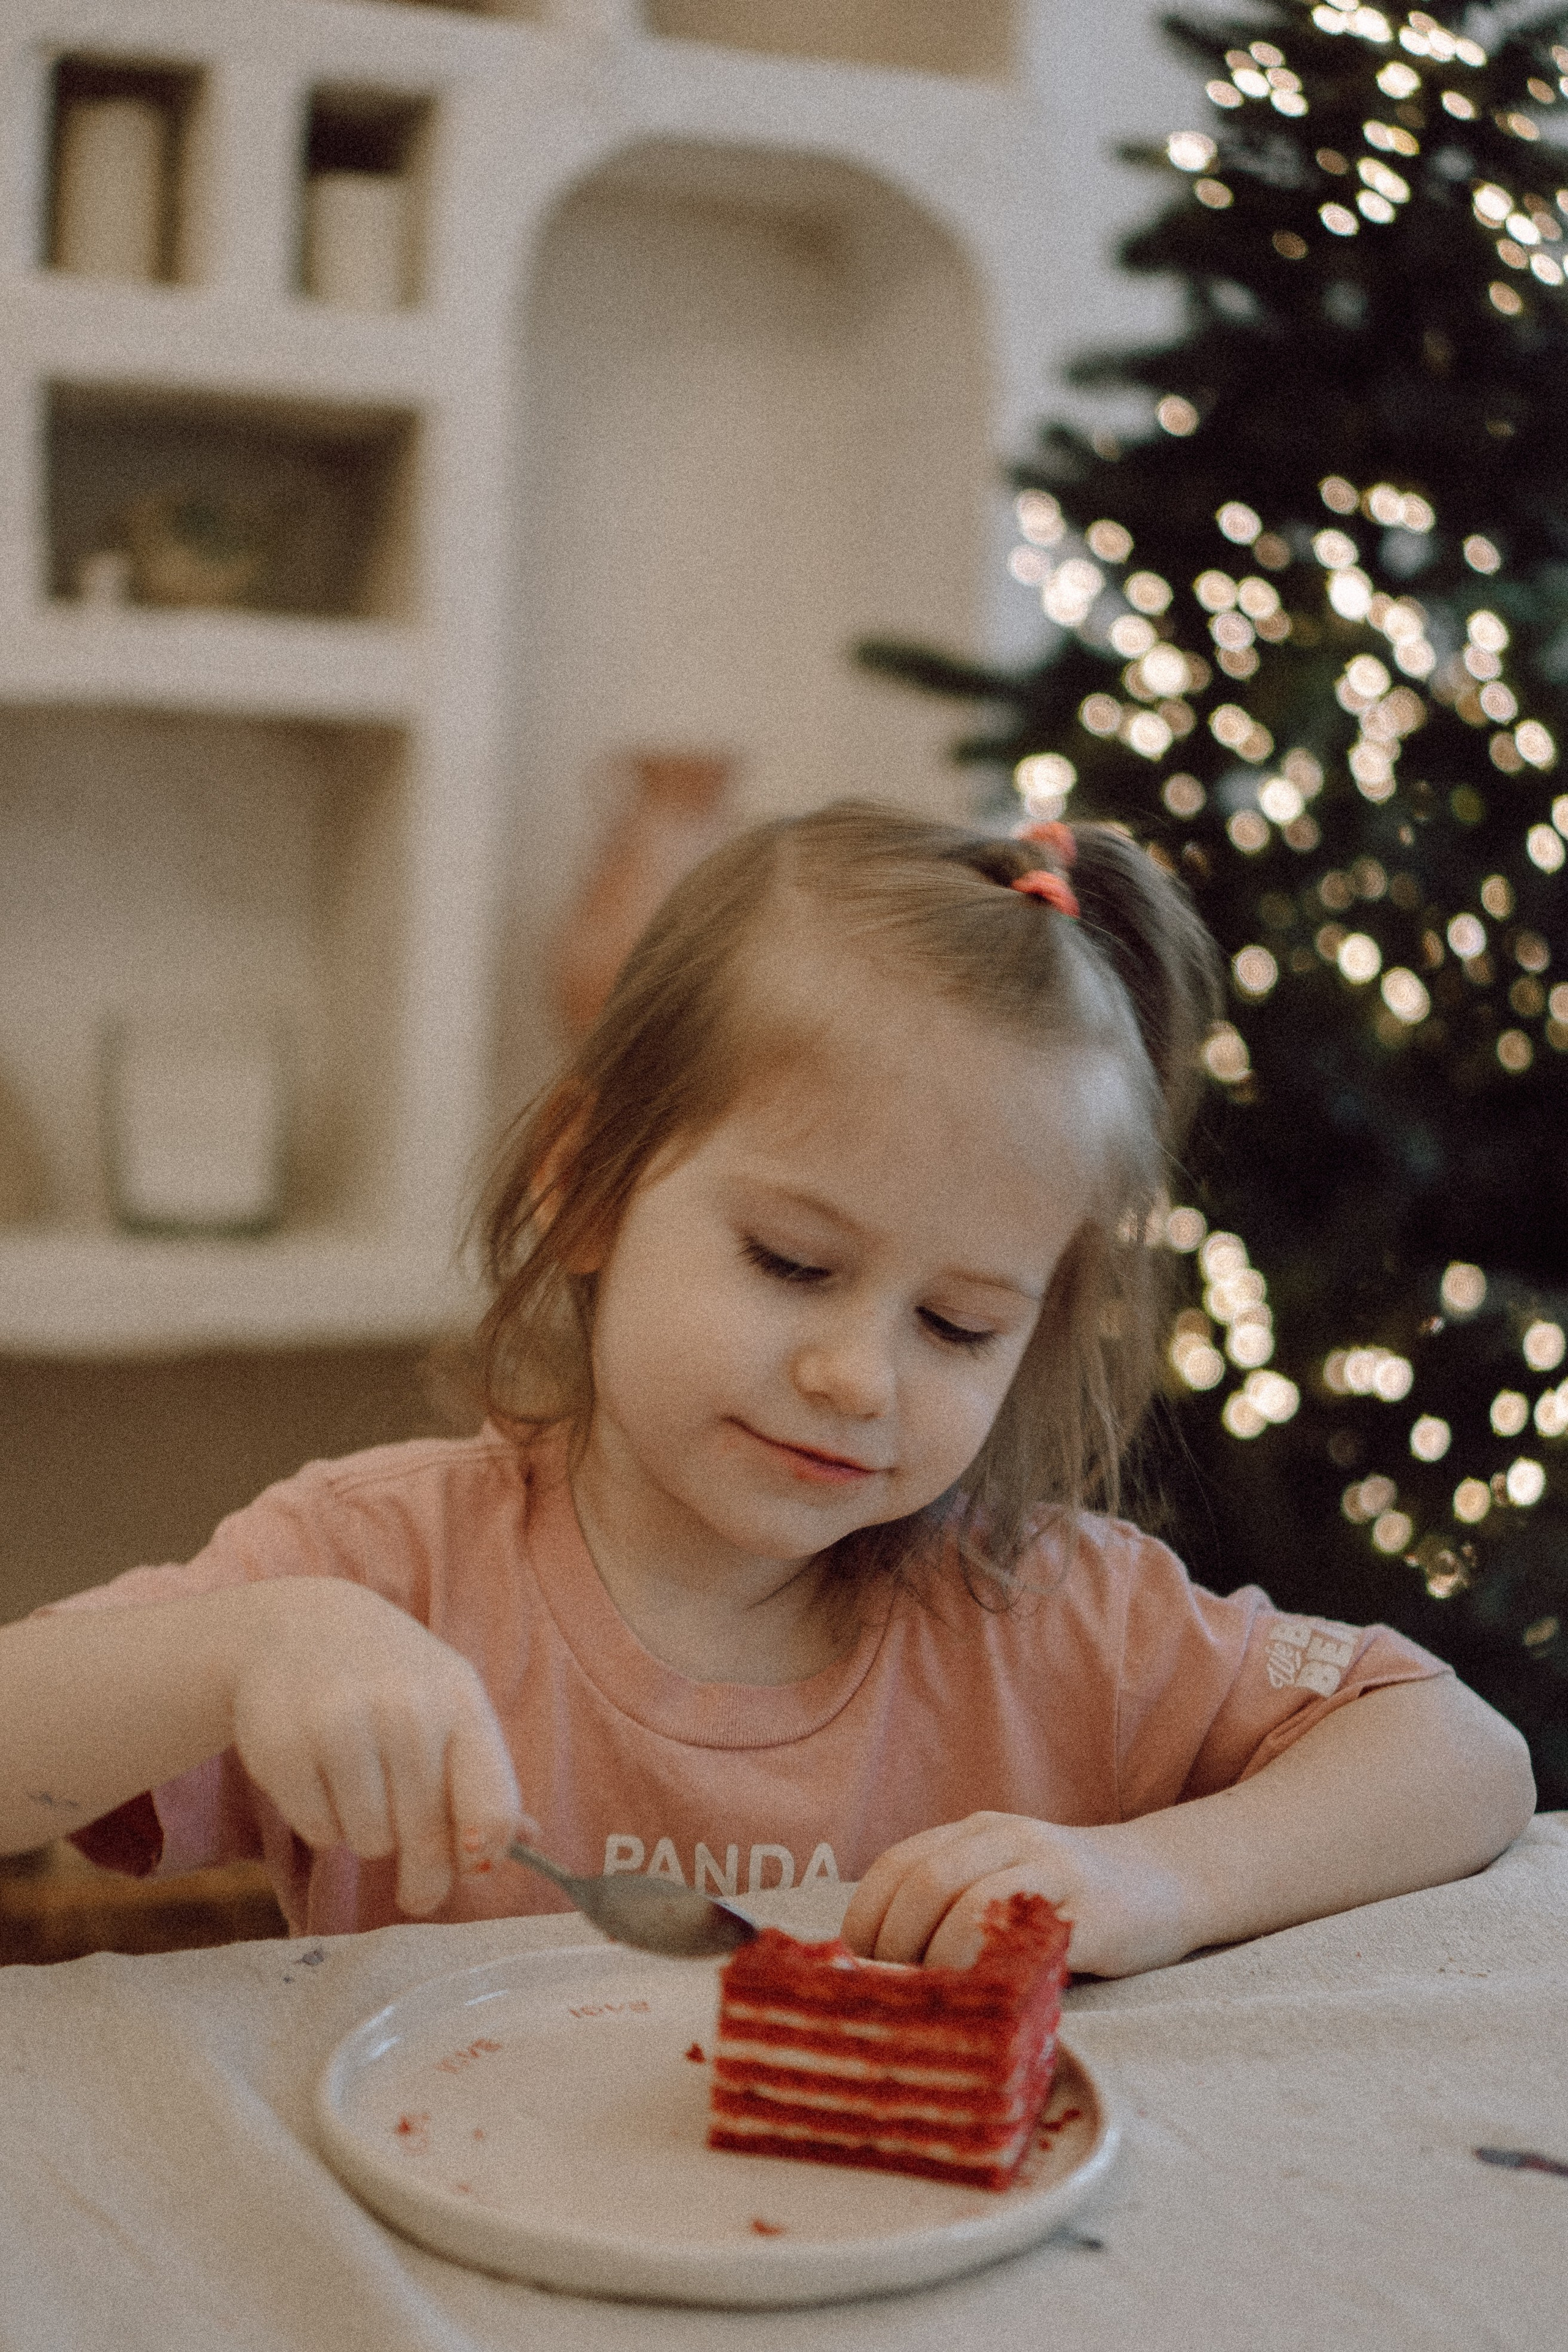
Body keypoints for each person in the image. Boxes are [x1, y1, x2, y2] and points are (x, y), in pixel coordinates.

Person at [0, 806, 1534, 1973]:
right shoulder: (376, 1569)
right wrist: (249, 1649)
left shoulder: (1048, 1618)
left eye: (954, 1326)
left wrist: (1163, 1879)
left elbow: (1462, 1756)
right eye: (792, 1264)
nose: (854, 1375)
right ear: (585, 1194)